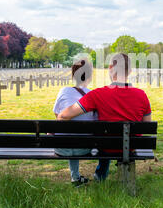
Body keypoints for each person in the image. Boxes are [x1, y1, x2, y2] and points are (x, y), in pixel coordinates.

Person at [58, 53, 152, 182]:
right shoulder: (142, 95)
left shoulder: (97, 94)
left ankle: (100, 177)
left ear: (110, 68)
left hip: (107, 147)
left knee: (105, 140)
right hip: (130, 146)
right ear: (129, 71)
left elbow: (64, 115)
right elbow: (147, 125)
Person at [53, 58, 97, 187]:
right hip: (83, 148)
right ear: (90, 76)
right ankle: (97, 175)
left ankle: (75, 177)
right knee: (78, 136)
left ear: (73, 75)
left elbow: (57, 115)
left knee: (69, 135)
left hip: (62, 148)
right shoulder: (93, 95)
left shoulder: (64, 91)